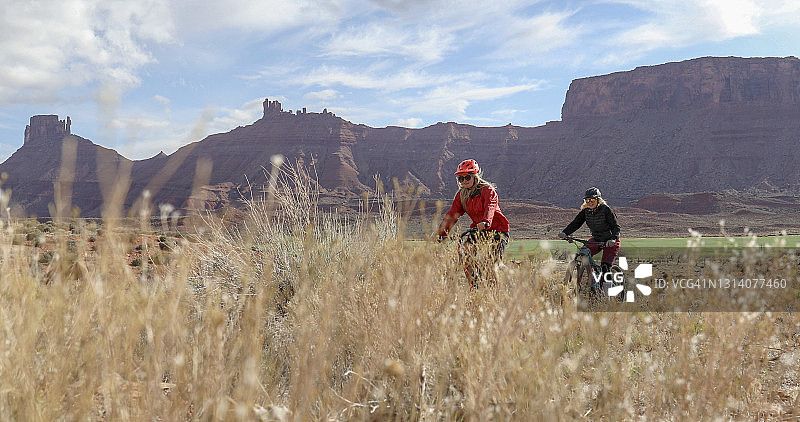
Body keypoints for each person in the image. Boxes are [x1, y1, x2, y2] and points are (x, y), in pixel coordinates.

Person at [436, 159, 510, 285]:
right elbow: (452, 215)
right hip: (478, 230)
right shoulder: (462, 195)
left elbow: (490, 206)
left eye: (467, 177)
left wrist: (486, 221)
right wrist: (441, 233)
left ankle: (496, 292)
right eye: (461, 178)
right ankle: (474, 288)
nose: (464, 181)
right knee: (465, 255)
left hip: (498, 230)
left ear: (475, 176)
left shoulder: (488, 190)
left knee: (490, 264)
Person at [559, 187, 621, 280]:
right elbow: (576, 223)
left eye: (592, 200)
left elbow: (616, 227)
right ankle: (591, 276)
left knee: (605, 268)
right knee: (584, 252)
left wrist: (613, 239)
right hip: (596, 240)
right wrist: (565, 232)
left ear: (598, 200)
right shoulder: (586, 211)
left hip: (611, 241)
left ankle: (607, 288)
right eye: (587, 200)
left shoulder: (606, 210)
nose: (590, 202)